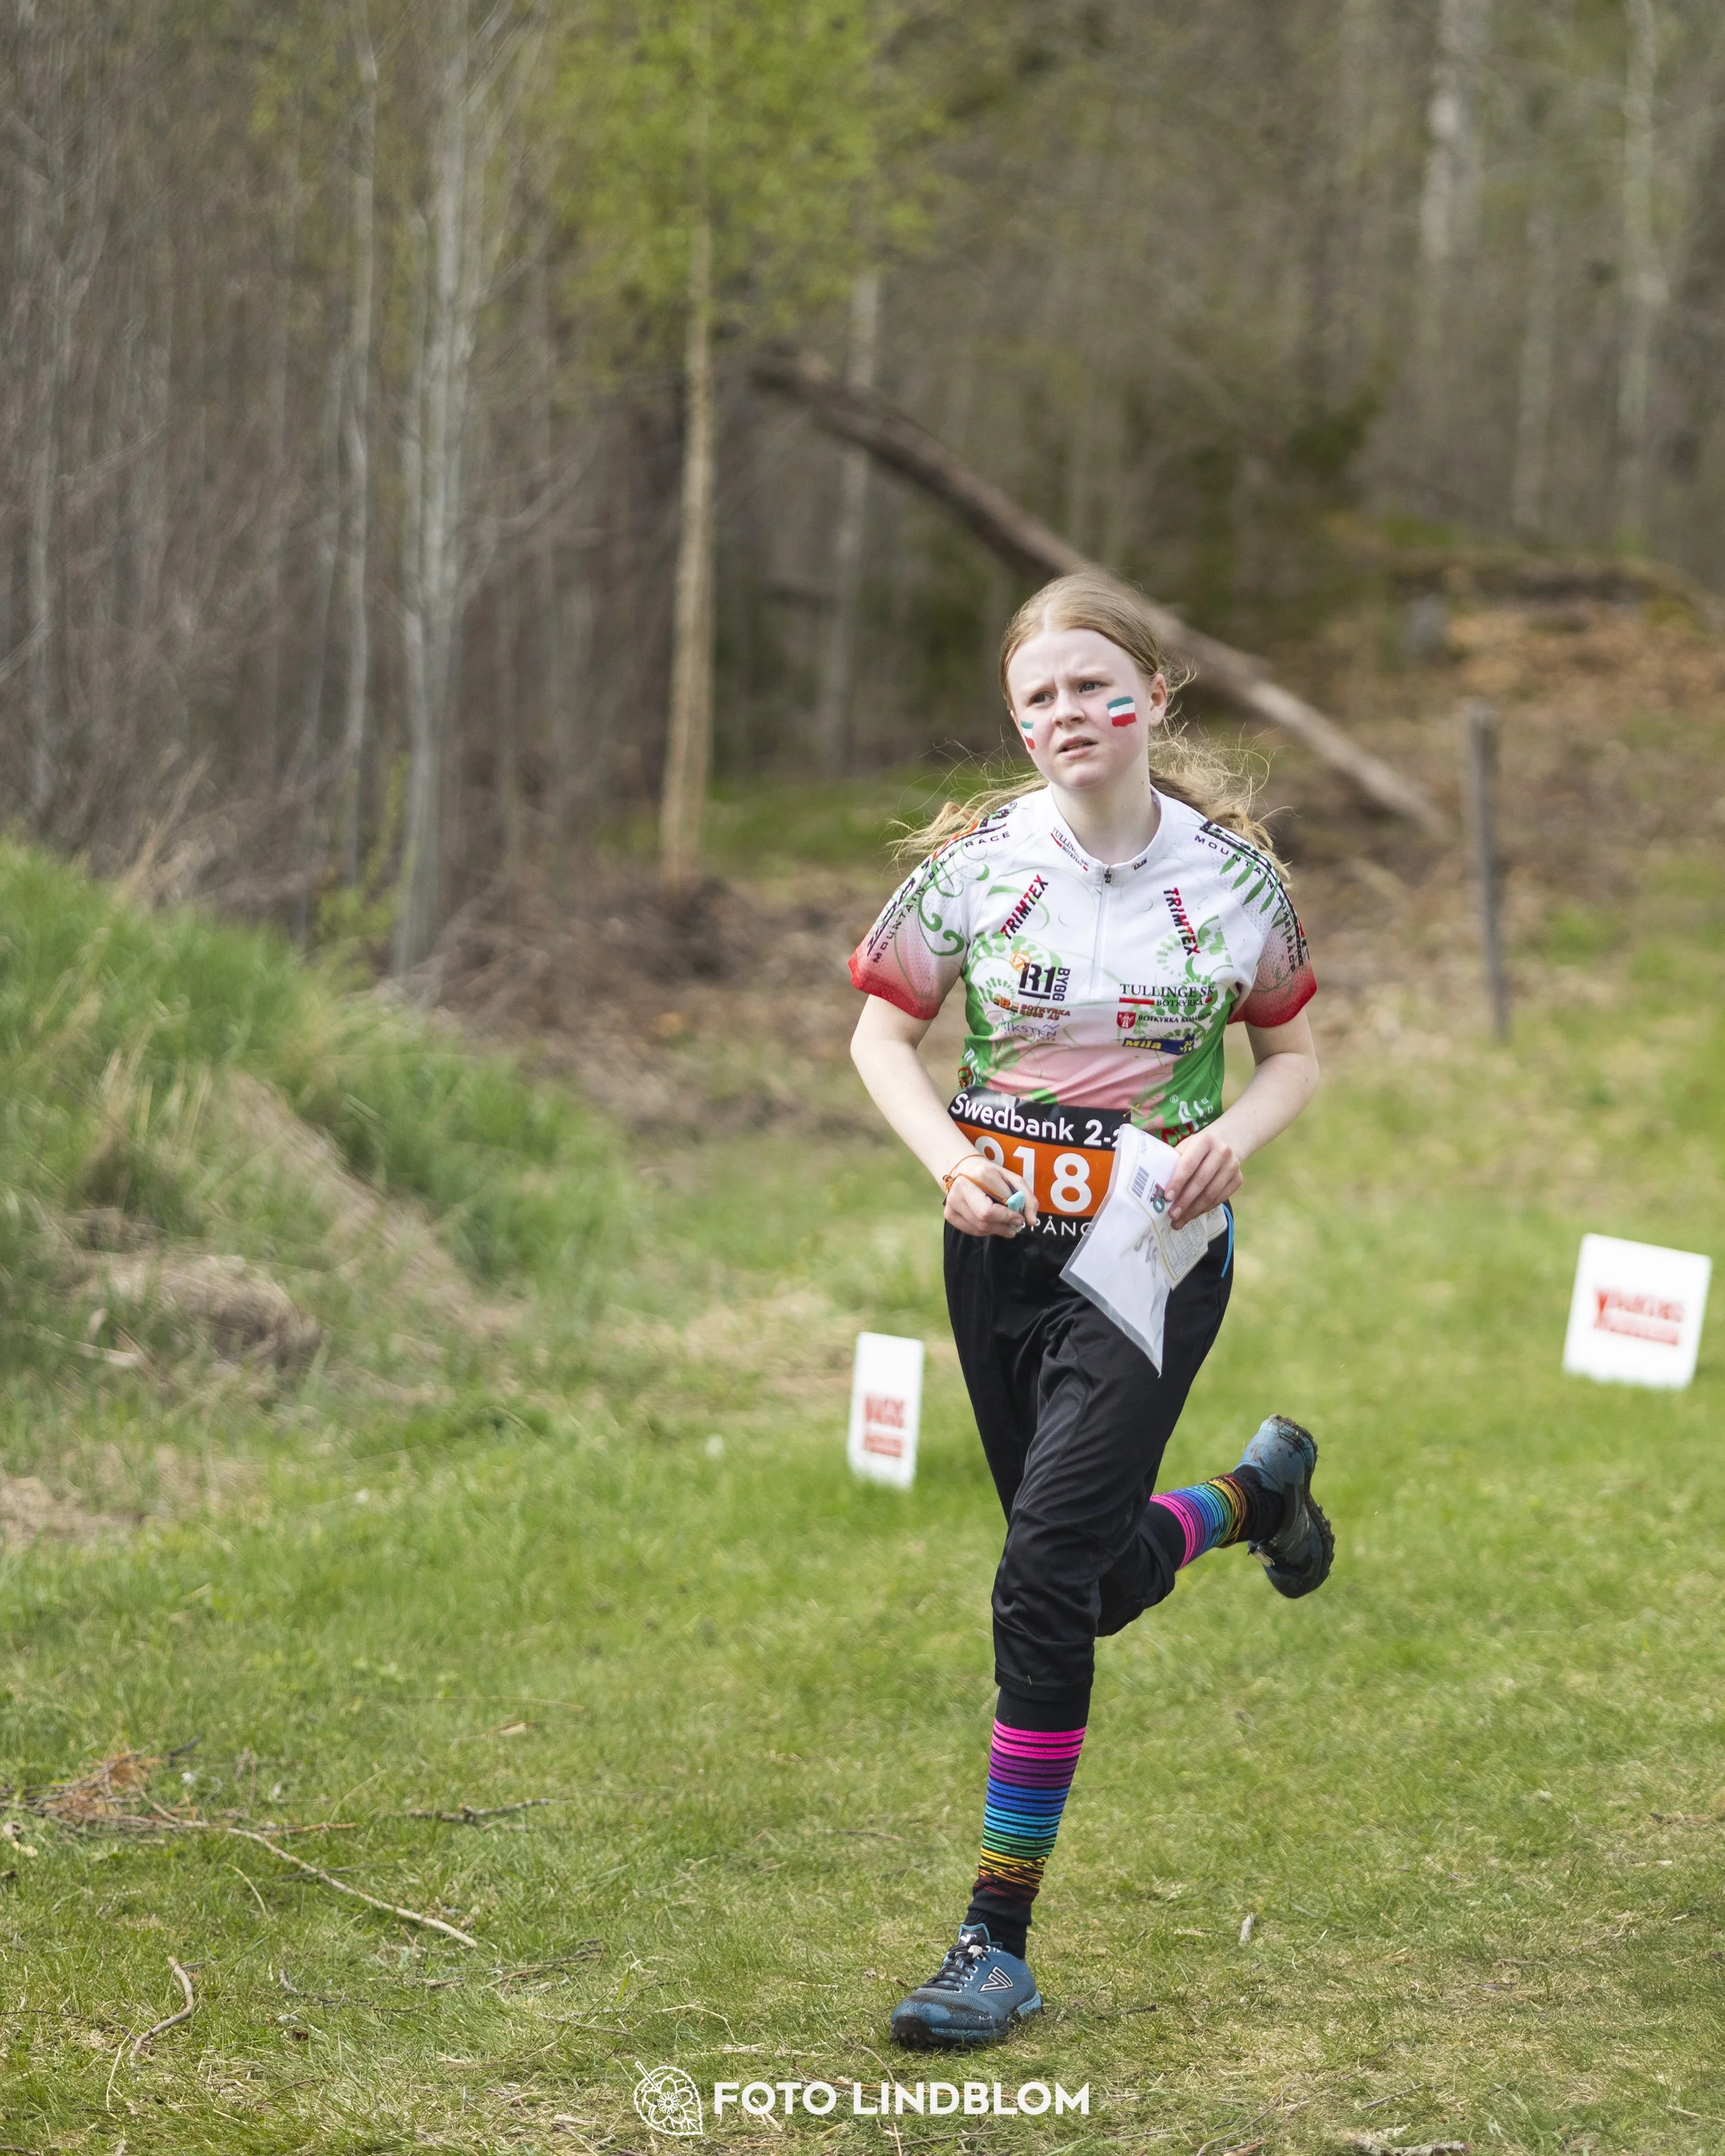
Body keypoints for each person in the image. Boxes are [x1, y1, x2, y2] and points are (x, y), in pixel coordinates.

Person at [847, 571, 1330, 2050]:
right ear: (1017, 718)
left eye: (1091, 684)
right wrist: (946, 1162)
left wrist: (1236, 1135)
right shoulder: (975, 870)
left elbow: (1298, 1050)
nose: (1066, 711)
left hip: (1149, 1254)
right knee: (1081, 1580)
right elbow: (879, 1033)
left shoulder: (1234, 877)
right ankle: (1253, 1496)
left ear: (1151, 700)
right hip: (995, 1250)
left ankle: (994, 1937)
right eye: (1037, 693)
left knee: (1034, 1581)